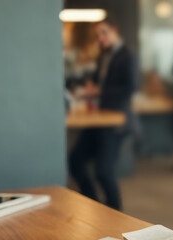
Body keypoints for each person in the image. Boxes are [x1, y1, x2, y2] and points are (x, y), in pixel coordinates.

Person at [68, 17, 139, 210]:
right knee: (75, 160)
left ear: (114, 30)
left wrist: (100, 91)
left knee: (104, 172)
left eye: (103, 33)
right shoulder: (103, 56)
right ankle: (95, 206)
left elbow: (131, 87)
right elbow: (100, 83)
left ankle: (116, 215)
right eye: (97, 35)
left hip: (116, 122)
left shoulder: (128, 55)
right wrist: (90, 89)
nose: (100, 38)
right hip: (98, 120)